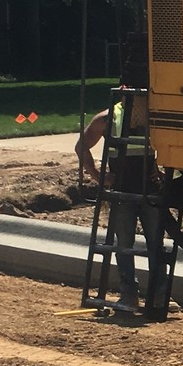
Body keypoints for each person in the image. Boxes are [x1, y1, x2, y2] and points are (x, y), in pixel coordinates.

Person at [76, 87, 162, 310]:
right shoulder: (109, 118)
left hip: (149, 190)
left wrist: (161, 169)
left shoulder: (154, 116)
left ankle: (157, 296)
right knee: (125, 244)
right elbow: (81, 146)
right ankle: (130, 294)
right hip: (123, 190)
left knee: (154, 244)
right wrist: (98, 176)